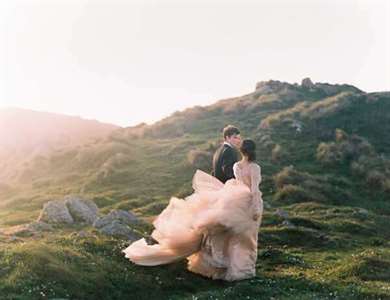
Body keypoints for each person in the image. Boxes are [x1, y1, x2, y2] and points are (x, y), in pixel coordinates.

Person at [121, 138, 263, 282]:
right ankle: (242, 269)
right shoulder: (255, 168)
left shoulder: (237, 166)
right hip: (248, 201)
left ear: (242, 150)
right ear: (253, 151)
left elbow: (238, 183)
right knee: (247, 238)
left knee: (229, 236)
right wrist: (256, 207)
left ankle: (225, 266)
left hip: (235, 196)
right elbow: (255, 190)